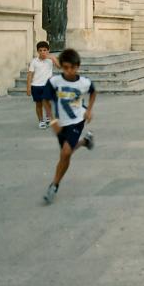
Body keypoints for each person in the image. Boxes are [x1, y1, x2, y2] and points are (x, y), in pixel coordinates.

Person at [41, 48, 96, 204]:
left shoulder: (84, 82)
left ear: (78, 66)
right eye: (65, 67)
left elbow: (93, 92)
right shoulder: (54, 82)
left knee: (65, 153)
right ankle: (85, 142)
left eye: (72, 67)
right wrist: (52, 120)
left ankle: (54, 185)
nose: (69, 71)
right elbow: (45, 100)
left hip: (77, 120)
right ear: (61, 67)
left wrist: (89, 111)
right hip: (60, 122)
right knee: (66, 152)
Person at [26, 41, 60, 129]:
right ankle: (41, 121)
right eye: (40, 50)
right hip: (36, 86)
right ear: (38, 51)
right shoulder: (34, 61)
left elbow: (59, 66)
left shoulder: (50, 60)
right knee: (39, 104)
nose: (42, 52)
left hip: (47, 86)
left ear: (48, 50)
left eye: (45, 50)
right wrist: (28, 87)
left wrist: (52, 57)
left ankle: (48, 118)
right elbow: (30, 75)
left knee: (48, 103)